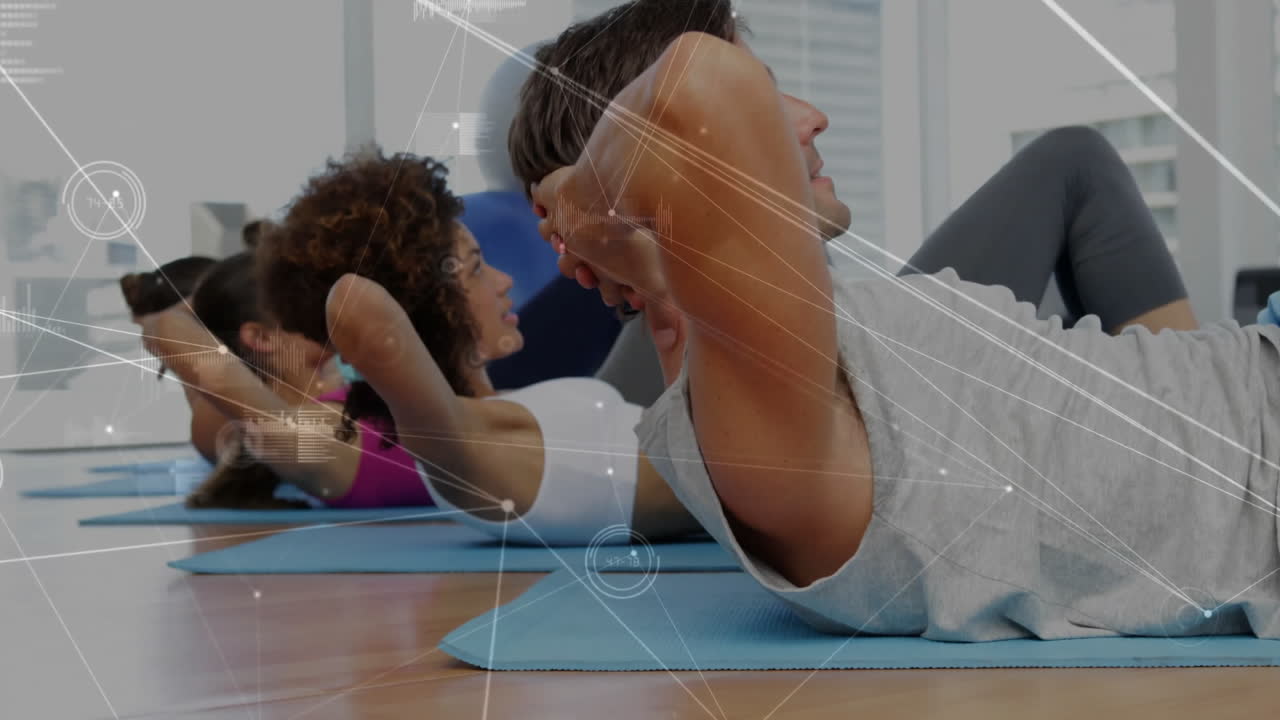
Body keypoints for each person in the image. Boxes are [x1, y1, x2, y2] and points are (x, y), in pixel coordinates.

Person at [525, 19, 1280, 641]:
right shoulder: (760, 437)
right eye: (769, 96)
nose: (812, 116)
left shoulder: (824, 359)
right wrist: (589, 202)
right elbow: (703, 84)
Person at [508, 0, 1197, 409]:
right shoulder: (676, 376)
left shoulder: (808, 325)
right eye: (756, 102)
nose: (814, 118)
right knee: (1074, 160)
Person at [255, 149, 701, 544]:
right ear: (428, 303)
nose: (503, 281)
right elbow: (355, 302)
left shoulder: (505, 412)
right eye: (473, 269)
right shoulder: (460, 442)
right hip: (728, 474)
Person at [137, 247, 432, 510]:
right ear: (262, 337)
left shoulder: (344, 389)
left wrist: (213, 296)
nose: (329, 307)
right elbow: (163, 327)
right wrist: (212, 294)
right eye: (308, 301)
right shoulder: (301, 433)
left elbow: (163, 326)